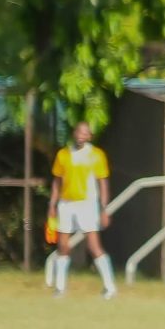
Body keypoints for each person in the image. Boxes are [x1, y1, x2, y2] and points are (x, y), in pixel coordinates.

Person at [45, 121, 114, 299]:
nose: (81, 136)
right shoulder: (63, 154)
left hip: (87, 204)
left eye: (85, 133)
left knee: (93, 246)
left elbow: (103, 183)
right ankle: (60, 288)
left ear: (90, 136)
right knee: (63, 245)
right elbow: (57, 182)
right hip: (66, 204)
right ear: (74, 133)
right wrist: (52, 204)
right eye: (79, 132)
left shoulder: (96, 155)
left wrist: (104, 208)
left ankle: (109, 287)